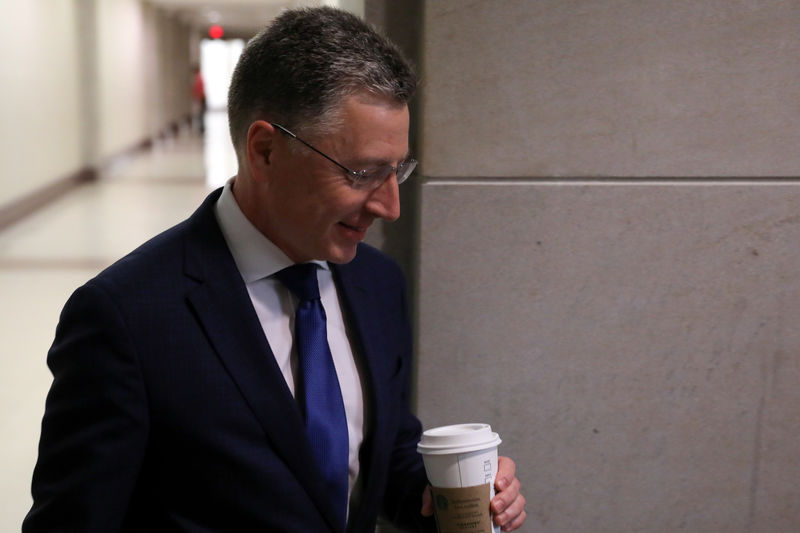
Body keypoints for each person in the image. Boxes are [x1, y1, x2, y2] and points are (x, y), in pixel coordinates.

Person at [23, 7, 526, 533]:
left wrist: (445, 493)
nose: (389, 206)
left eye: (397, 170)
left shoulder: (378, 283)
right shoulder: (128, 317)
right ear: (264, 150)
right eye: (363, 173)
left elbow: (383, 451)